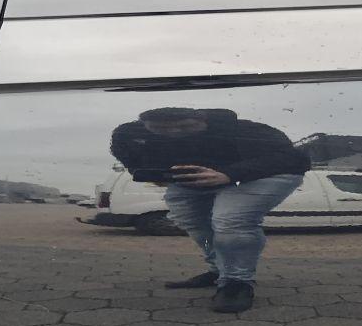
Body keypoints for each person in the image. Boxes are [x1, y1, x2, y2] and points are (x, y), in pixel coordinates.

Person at [110, 108, 310, 313]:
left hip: (262, 176)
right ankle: (219, 269)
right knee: (195, 224)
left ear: (205, 121)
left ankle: (237, 283)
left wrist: (230, 174)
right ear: (145, 126)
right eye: (160, 128)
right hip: (198, 178)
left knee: (231, 221)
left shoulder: (248, 131)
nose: (174, 133)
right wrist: (145, 171)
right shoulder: (128, 134)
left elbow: (296, 159)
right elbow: (124, 151)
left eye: (185, 126)